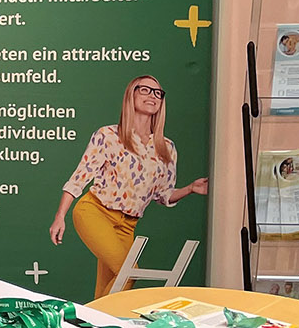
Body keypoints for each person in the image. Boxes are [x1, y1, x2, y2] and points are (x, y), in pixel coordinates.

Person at [49, 75, 208, 299]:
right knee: (128, 274)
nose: (152, 96)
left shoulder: (166, 148)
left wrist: (190, 188)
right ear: (130, 95)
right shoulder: (108, 135)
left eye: (157, 93)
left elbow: (164, 195)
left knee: (109, 291)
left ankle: (97, 326)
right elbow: (80, 177)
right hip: (95, 212)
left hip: (127, 226)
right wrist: (60, 216)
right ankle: (97, 321)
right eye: (144, 90)